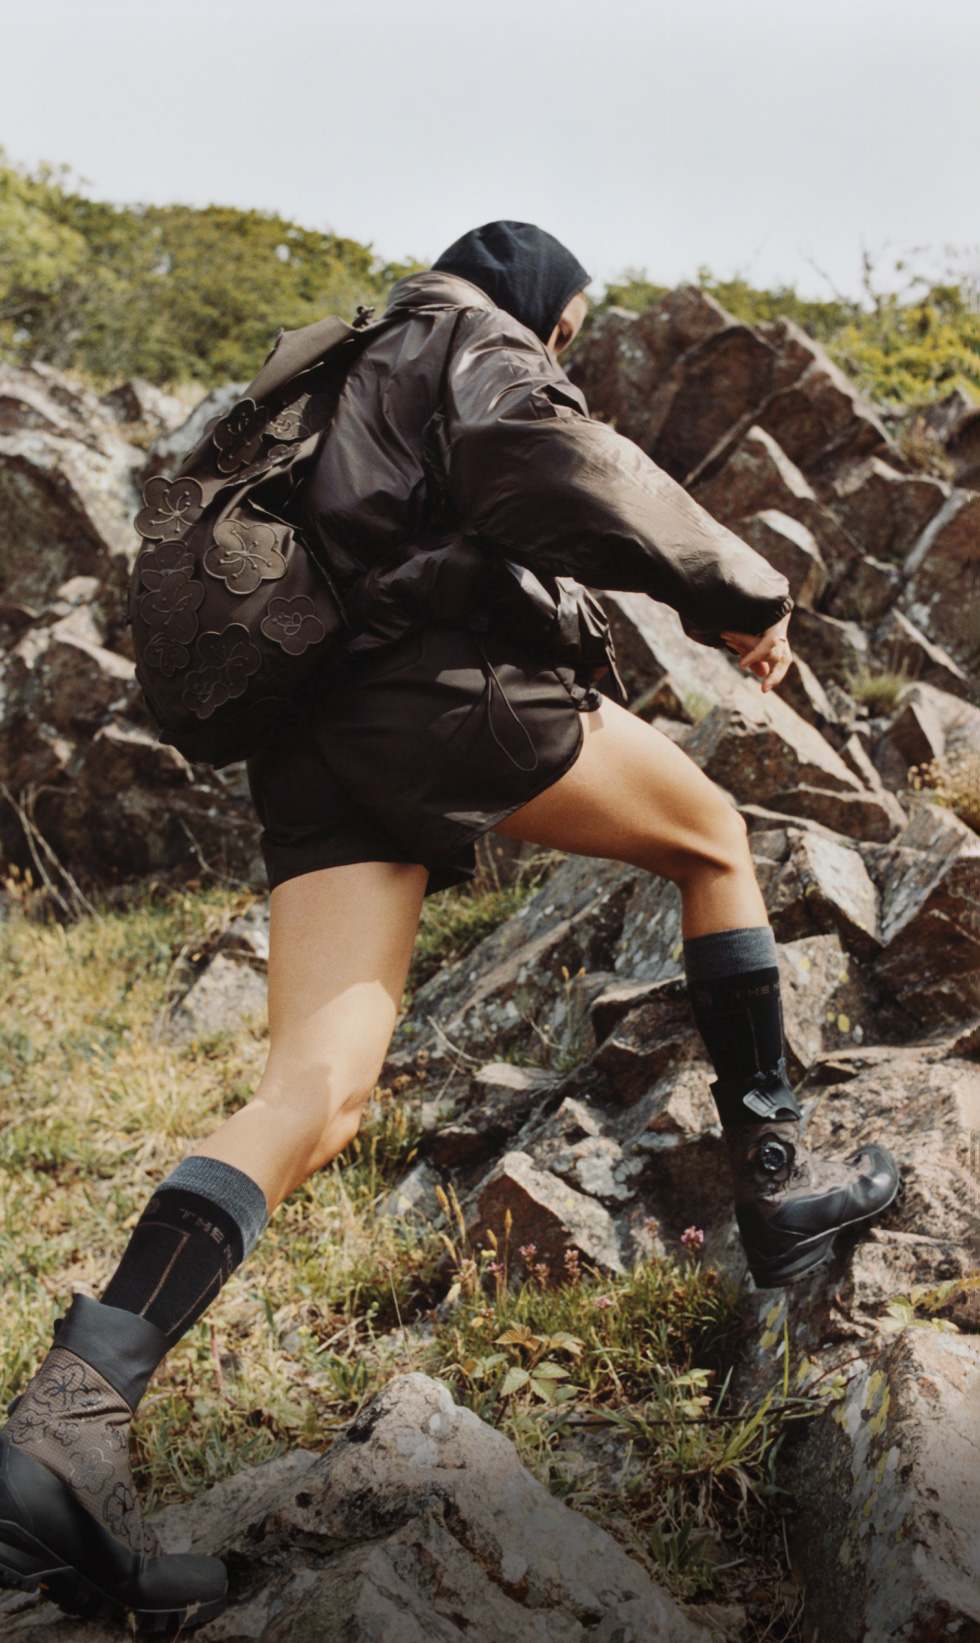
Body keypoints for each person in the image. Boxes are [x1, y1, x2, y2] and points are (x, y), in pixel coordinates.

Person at [0, 220, 899, 1629]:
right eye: (572, 329)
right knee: (715, 838)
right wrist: (739, 590)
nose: (567, 355)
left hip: (311, 740)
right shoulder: (467, 333)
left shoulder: (345, 364)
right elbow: (558, 466)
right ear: (534, 297)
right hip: (441, 691)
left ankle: (64, 1425)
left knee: (315, 1089)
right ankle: (780, 1190)